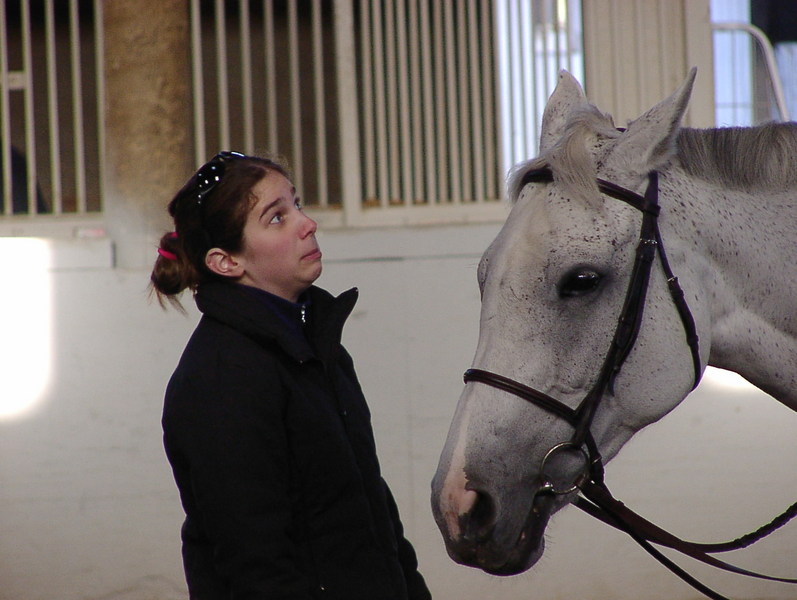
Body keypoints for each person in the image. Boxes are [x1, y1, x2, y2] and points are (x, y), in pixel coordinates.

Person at [150, 151, 431, 600]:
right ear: (226, 261)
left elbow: (370, 505)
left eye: (296, 204)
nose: (308, 224)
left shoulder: (317, 344)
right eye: (277, 217)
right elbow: (256, 564)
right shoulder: (222, 379)